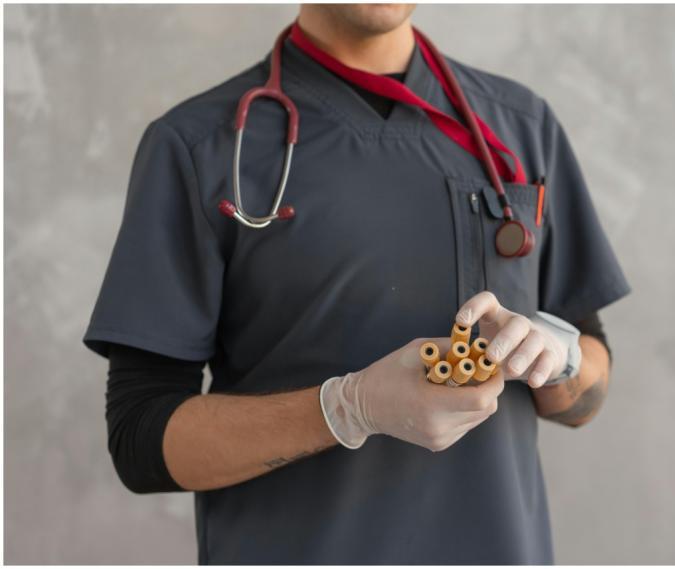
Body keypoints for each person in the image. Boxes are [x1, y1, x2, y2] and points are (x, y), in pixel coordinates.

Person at [84, 4, 630, 564]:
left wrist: (555, 356)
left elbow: (587, 392)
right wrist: (347, 408)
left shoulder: (519, 126)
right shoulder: (201, 147)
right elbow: (141, 440)